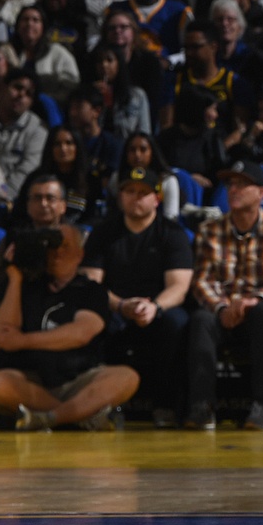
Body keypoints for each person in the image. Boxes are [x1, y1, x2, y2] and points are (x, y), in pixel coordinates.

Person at [0, 225, 138, 431]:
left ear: (80, 255)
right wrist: (15, 276)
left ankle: (50, 418)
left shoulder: (92, 290)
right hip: (32, 380)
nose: (58, 253)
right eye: (52, 247)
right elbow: (2, 334)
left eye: (65, 246)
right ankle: (79, 416)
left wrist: (22, 341)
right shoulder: (23, 286)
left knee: (126, 377)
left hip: (79, 379)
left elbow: (80, 333)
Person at [184, 161, 263, 431]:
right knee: (200, 320)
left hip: (257, 311)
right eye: (230, 185)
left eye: (242, 185)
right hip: (222, 312)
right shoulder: (209, 230)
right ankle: (202, 405)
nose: (233, 190)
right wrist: (222, 307)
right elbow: (201, 280)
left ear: (261, 193)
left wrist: (253, 300)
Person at [82, 165, 194, 423]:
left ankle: (166, 405)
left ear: (157, 198)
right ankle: (101, 405)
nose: (136, 197)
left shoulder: (173, 234)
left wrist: (154, 307)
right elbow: (91, 284)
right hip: (115, 306)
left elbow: (178, 287)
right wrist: (121, 305)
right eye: (130, 191)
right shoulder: (103, 233)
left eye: (143, 193)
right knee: (91, 318)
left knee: (177, 323)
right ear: (120, 196)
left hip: (158, 307)